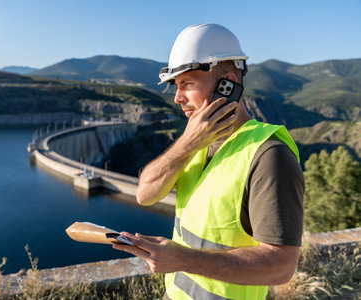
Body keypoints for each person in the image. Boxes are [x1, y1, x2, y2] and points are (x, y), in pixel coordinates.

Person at [112, 24, 304, 300]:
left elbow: (280, 266)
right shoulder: (195, 143)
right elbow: (145, 194)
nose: (177, 98)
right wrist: (189, 143)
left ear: (227, 84)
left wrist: (184, 260)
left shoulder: (269, 155)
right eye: (176, 87)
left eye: (187, 84)